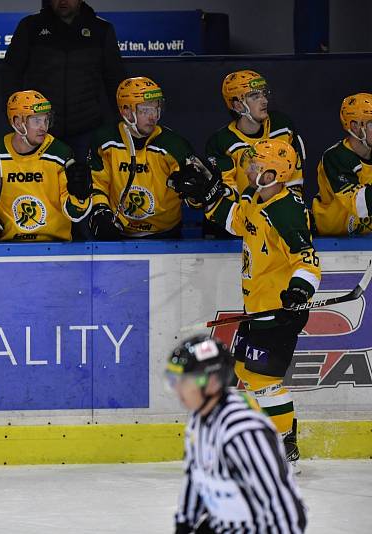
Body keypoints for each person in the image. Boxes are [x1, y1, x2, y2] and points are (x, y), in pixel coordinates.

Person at [170, 138, 321, 473]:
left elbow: (308, 260)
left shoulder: (288, 210)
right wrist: (207, 198)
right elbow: (235, 219)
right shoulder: (255, 199)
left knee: (262, 378)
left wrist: (298, 291)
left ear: (275, 171)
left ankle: (286, 448)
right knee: (243, 371)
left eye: (256, 164)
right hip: (257, 309)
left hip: (280, 312)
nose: (250, 169)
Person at [166, 335, 307, 534]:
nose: (178, 391)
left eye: (185, 382)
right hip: (226, 523)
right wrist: (184, 525)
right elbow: (195, 479)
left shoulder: (244, 431)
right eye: (175, 381)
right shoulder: (199, 419)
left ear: (213, 382)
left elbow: (283, 506)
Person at [0, 0, 124, 163]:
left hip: (88, 127)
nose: (63, 1)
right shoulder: (31, 26)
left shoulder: (101, 29)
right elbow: (10, 73)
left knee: (87, 184)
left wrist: (120, 120)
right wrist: (16, 115)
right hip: (39, 127)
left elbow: (115, 78)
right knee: (41, 186)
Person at [0, 90, 91, 242]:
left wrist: (80, 195)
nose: (43, 127)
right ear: (17, 122)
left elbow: (74, 213)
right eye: (36, 121)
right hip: (6, 247)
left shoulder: (60, 153)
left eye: (46, 120)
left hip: (55, 247)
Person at [88, 76, 195, 240]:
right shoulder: (105, 141)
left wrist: (195, 192)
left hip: (166, 236)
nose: (153, 117)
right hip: (120, 233)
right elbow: (98, 184)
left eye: (156, 109)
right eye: (145, 110)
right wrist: (101, 211)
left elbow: (195, 195)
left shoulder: (174, 145)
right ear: (126, 111)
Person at [204, 70, 305, 238]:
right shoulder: (221, 143)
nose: (264, 100)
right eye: (254, 96)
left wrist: (288, 214)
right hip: (240, 225)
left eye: (263, 94)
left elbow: (294, 178)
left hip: (280, 221)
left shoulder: (282, 126)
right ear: (237, 105)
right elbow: (229, 193)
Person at [312, 93, 372, 236]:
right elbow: (358, 205)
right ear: (355, 126)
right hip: (331, 242)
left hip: (365, 238)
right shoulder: (335, 157)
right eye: (371, 124)